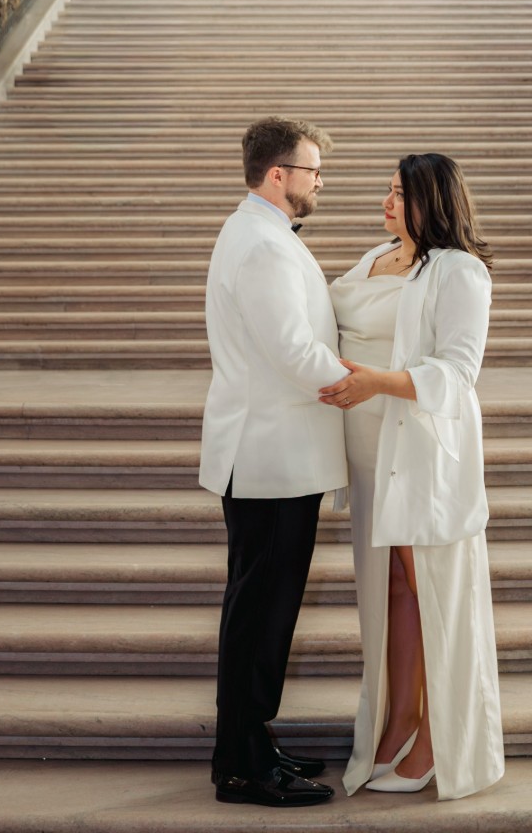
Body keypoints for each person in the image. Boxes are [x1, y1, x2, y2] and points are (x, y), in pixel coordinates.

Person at [319, 153, 504, 800]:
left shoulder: (459, 271)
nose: (386, 203)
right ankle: (396, 719)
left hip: (423, 452)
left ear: (434, 199)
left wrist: (376, 381)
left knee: (430, 590)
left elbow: (457, 372)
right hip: (371, 453)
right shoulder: (377, 255)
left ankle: (437, 741)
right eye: (386, 191)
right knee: (393, 589)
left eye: (400, 193)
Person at [200, 116, 350, 809]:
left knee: (259, 608)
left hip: (270, 453)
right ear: (278, 175)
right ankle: (241, 765)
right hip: (269, 455)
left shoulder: (259, 234)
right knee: (260, 611)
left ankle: (248, 741)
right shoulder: (260, 244)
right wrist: (368, 383)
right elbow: (292, 353)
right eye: (314, 170)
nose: (322, 181)